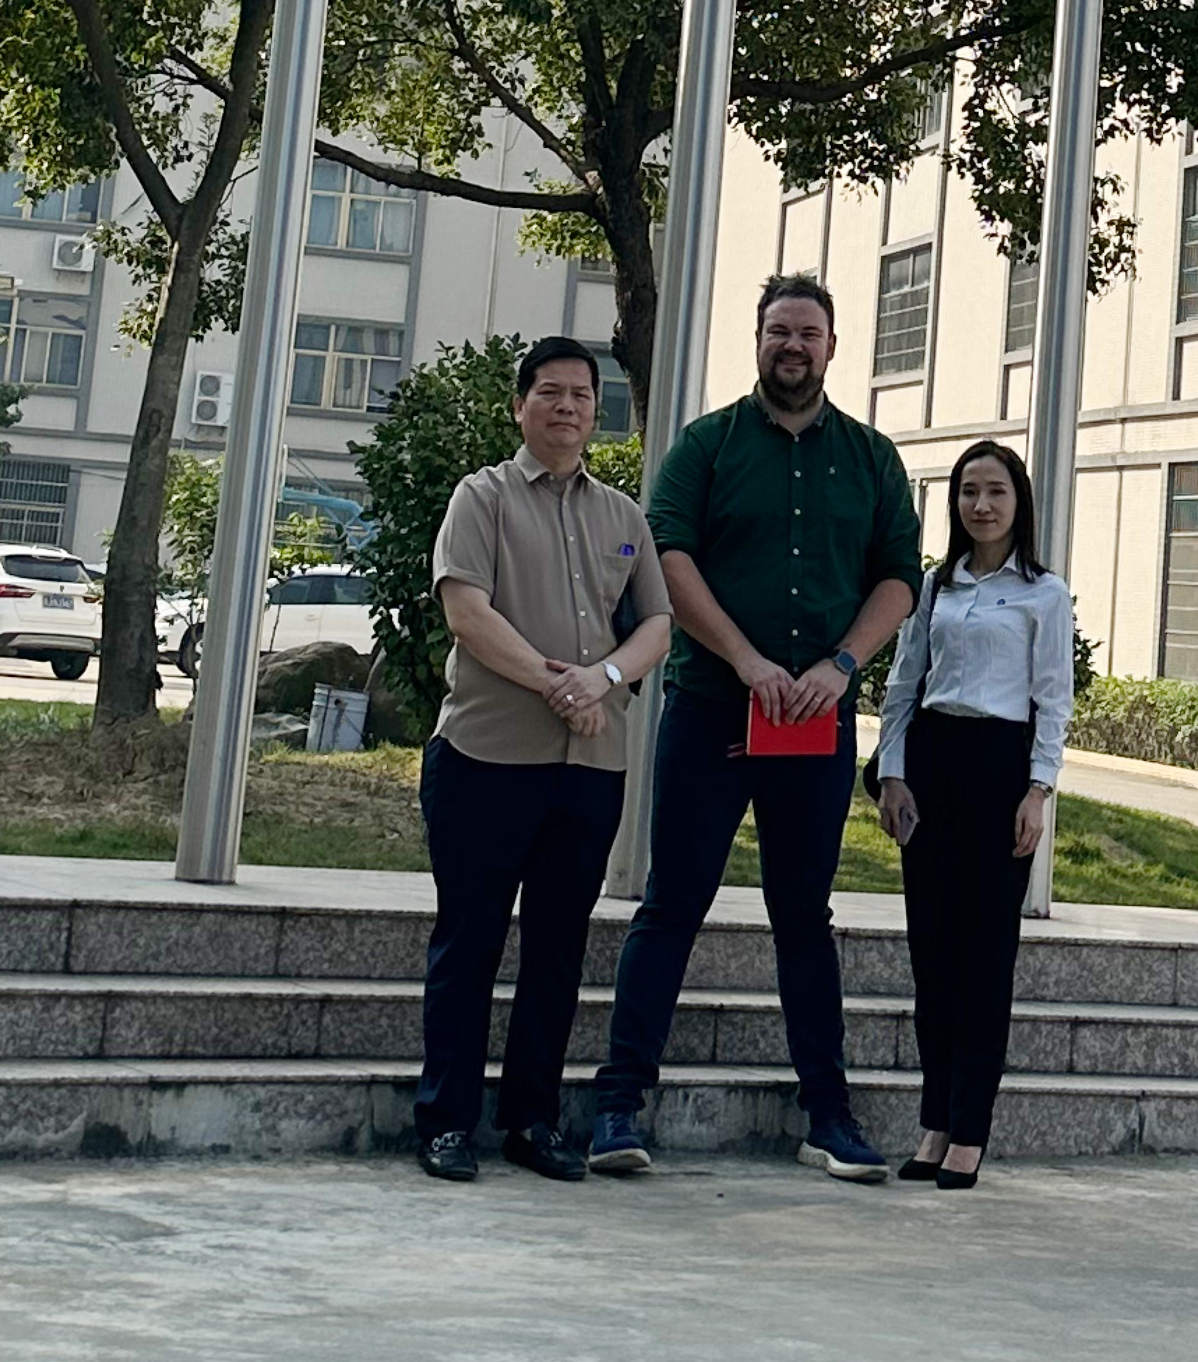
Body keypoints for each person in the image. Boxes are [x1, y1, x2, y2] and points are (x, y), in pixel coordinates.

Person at [586, 271, 922, 1183]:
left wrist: (839, 665)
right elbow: (667, 556)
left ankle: (829, 1116)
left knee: (804, 916)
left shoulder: (871, 458)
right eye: (780, 331)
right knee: (672, 904)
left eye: (809, 333)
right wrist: (745, 660)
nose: (793, 346)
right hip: (712, 708)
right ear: (759, 340)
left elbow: (899, 575)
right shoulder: (707, 445)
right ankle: (618, 1105)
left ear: (832, 347)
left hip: (816, 721)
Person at [414, 335, 672, 1187]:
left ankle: (531, 1120)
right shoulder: (481, 498)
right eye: (550, 392)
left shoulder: (623, 516)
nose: (567, 407)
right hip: (486, 758)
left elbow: (656, 625)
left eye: (582, 396)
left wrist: (602, 679)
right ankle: (446, 1122)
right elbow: (467, 612)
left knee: (558, 953)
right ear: (520, 405)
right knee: (470, 944)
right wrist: (558, 686)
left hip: (590, 770)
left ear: (598, 412)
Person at [871, 436, 1074, 1191]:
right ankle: (934, 1121)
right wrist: (893, 774)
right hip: (931, 766)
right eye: (967, 492)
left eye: (995, 491)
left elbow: (1053, 700)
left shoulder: (1044, 594)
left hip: (999, 772)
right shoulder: (937, 586)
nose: (981, 505)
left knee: (985, 957)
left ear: (1019, 502)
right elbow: (903, 684)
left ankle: (970, 1130)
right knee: (932, 956)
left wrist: (1037, 790)